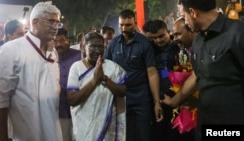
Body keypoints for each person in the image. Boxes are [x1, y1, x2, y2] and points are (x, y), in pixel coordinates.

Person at [162, 0, 244, 141]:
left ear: (193, 12)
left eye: (184, 15)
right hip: (205, 121)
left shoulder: (237, 33)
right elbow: (197, 74)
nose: (185, 22)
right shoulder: (198, 40)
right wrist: (175, 101)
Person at [0, 2, 63, 141]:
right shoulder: (10, 51)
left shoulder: (52, 52)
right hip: (25, 135)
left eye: (57, 22)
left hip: (53, 133)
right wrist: (3, 137)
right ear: (35, 22)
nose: (55, 27)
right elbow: (0, 100)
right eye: (50, 22)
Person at [104, 9, 163, 141]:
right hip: (120, 99)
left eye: (128, 25)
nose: (124, 28)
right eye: (121, 25)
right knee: (124, 136)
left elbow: (152, 73)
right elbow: (106, 69)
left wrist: (156, 102)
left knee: (144, 136)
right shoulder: (113, 44)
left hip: (141, 100)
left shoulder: (144, 43)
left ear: (135, 23)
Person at [66, 31, 127, 140]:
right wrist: (94, 81)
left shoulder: (113, 68)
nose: (97, 50)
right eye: (93, 46)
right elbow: (72, 99)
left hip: (107, 129)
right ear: (84, 47)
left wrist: (104, 79)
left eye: (100, 46)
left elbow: (122, 92)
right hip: (83, 129)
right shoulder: (76, 68)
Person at [142, 19, 180, 141]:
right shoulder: (150, 50)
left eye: (162, 36)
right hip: (157, 99)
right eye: (155, 38)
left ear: (168, 32)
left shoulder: (179, 48)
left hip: (178, 98)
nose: (159, 40)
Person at [54, 28, 82, 141]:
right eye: (55, 41)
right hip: (60, 109)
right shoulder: (50, 57)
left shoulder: (80, 56)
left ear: (68, 41)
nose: (58, 44)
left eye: (61, 40)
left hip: (79, 106)